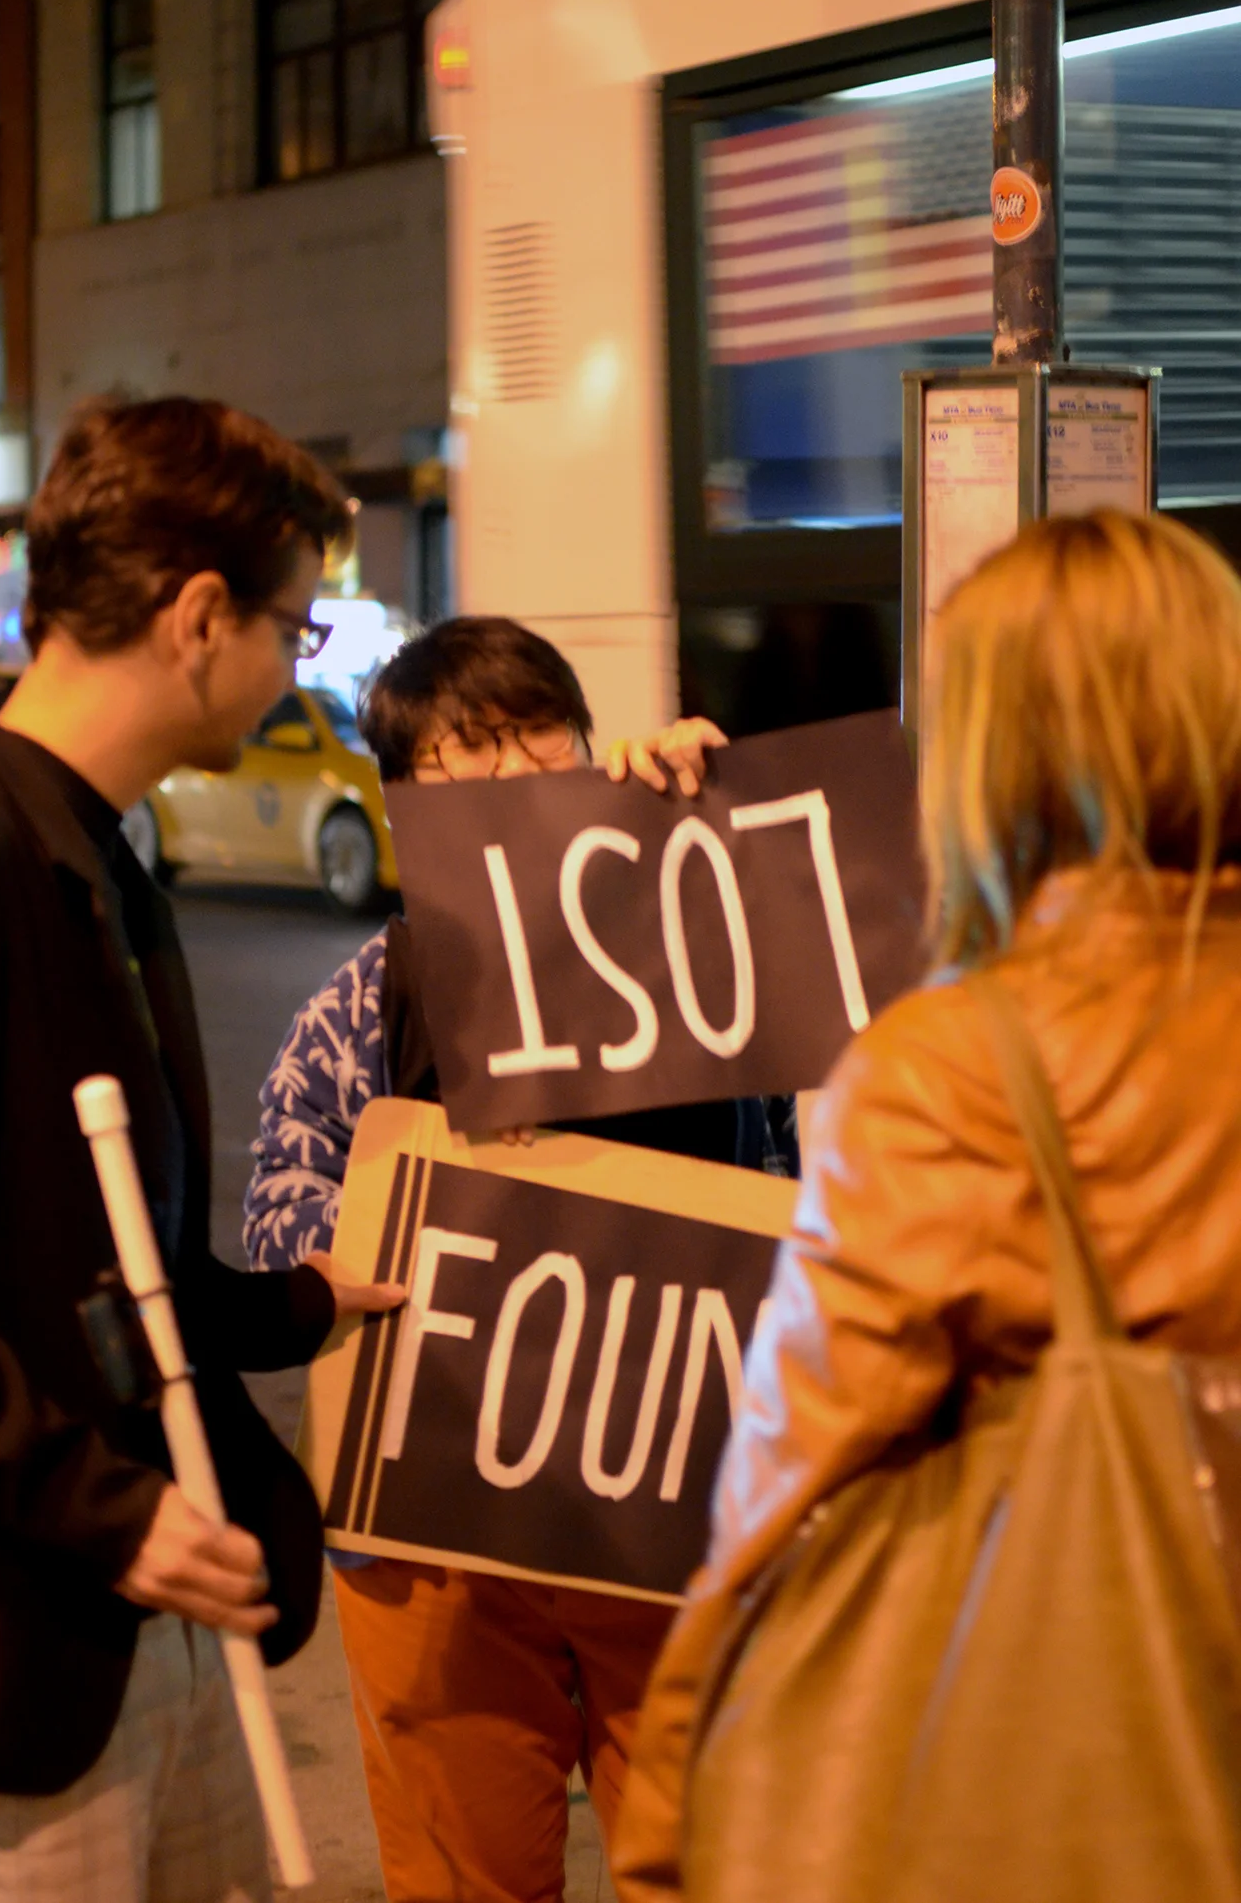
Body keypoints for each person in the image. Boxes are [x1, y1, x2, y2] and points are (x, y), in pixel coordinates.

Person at [0, 396, 403, 1903]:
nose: (293, 668)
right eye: (293, 631)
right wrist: (99, 1511)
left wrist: (303, 1301)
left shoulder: (95, 858)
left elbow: (98, 1260)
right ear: (198, 618)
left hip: (128, 1606)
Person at [612, 508, 1241, 1900]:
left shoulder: (956, 1071)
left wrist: (668, 1833)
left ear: (993, 754)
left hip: (1099, 1774)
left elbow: (790, 1494)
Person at [244, 614, 798, 1903]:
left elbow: (786, 1199)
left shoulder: (698, 955)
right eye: (460, 755)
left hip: (669, 1520)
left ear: (590, 747)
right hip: (440, 1537)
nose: (505, 774)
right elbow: (282, 1231)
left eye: (534, 735)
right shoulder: (359, 1005)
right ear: (402, 804)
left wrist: (714, 822)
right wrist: (400, 1227)